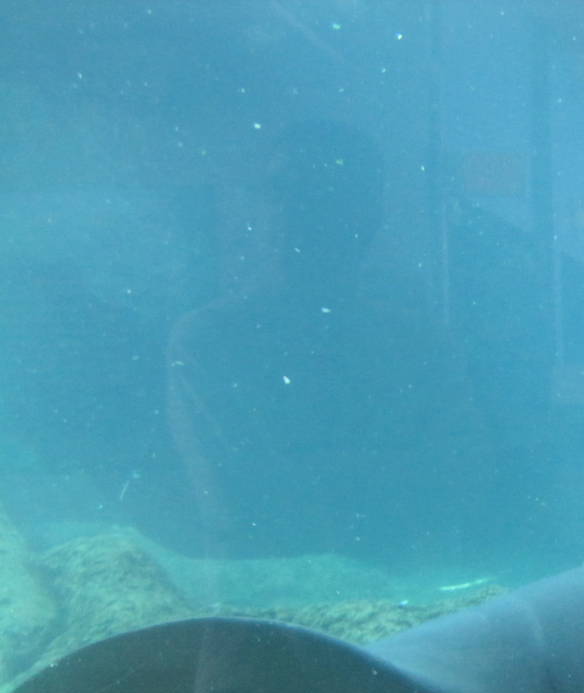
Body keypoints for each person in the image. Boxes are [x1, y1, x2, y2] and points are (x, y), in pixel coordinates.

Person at [165, 120, 486, 566]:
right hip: (259, 603)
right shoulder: (207, 341)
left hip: (404, 591)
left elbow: (459, 484)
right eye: (279, 192)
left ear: (367, 219)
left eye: (323, 196)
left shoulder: (423, 343)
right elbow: (239, 499)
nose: (294, 214)